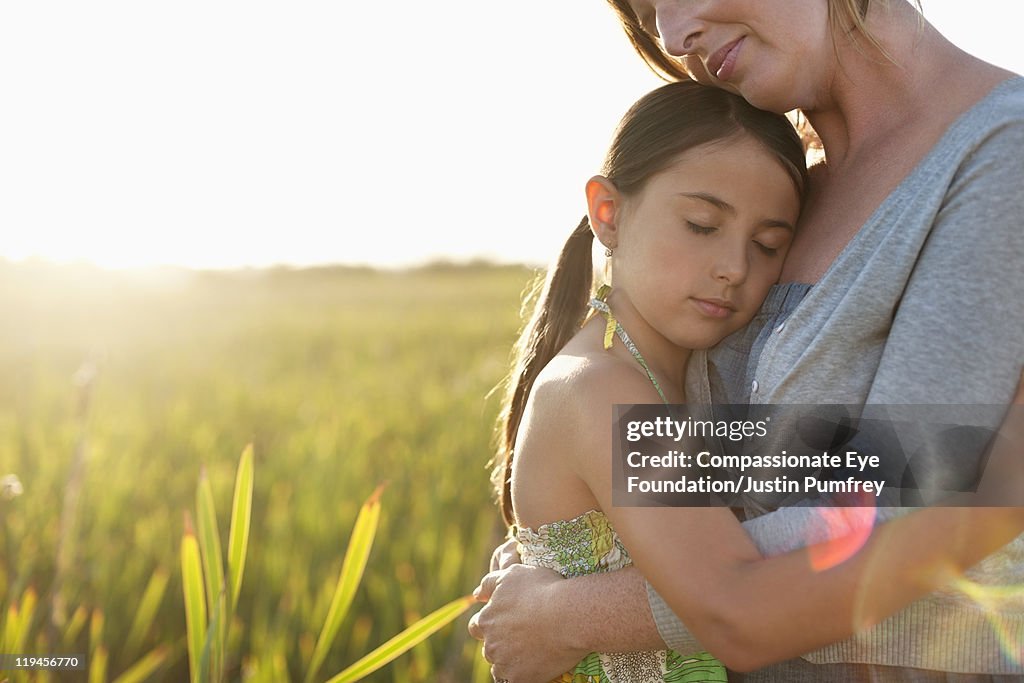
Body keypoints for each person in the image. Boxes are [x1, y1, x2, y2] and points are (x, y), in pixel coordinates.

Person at [469, 0, 1024, 681]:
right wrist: (578, 544)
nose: (671, 36)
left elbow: (896, 515)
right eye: (648, 14)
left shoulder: (1002, 153)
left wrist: (575, 611)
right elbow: (794, 467)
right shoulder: (779, 181)